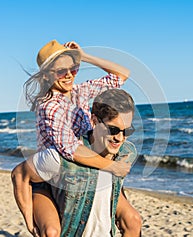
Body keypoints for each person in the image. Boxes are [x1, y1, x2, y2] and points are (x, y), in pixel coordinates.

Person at [12, 40, 141, 236]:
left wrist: (85, 56)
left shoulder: (79, 92)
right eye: (61, 71)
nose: (69, 75)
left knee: (133, 221)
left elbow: (121, 75)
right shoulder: (49, 106)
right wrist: (114, 167)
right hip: (53, 178)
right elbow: (71, 150)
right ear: (47, 74)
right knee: (52, 232)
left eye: (73, 69)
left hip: (86, 171)